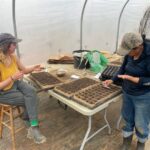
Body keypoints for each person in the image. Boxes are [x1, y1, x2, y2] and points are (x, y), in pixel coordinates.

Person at [103, 32, 150, 150]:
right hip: (128, 92)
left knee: (141, 122)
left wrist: (133, 79)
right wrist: (112, 80)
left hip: (143, 95)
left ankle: (141, 142)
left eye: (129, 51)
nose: (128, 54)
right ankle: (127, 140)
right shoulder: (129, 55)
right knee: (127, 118)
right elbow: (122, 69)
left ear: (138, 47)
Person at [0, 33, 46, 144]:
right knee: (32, 100)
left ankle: (29, 121)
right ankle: (33, 127)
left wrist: (33, 68)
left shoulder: (13, 57)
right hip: (3, 92)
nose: (16, 46)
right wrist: (12, 77)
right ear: (6, 46)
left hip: (15, 83)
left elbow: (24, 70)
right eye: (14, 44)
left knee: (32, 92)